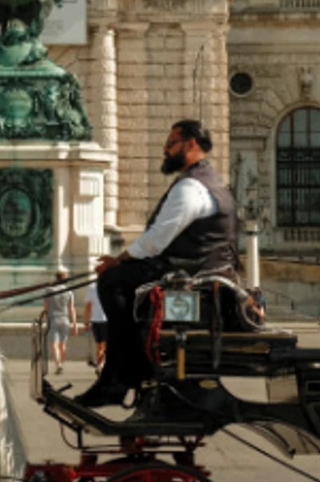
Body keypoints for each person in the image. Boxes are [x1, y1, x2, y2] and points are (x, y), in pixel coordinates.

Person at [76, 119, 240, 408]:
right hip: (203, 270)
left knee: (113, 282)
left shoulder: (192, 187)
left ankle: (122, 375)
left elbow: (156, 240)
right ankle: (129, 368)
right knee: (120, 281)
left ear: (191, 144)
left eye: (171, 143)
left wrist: (118, 260)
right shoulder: (209, 181)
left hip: (192, 273)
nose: (165, 149)